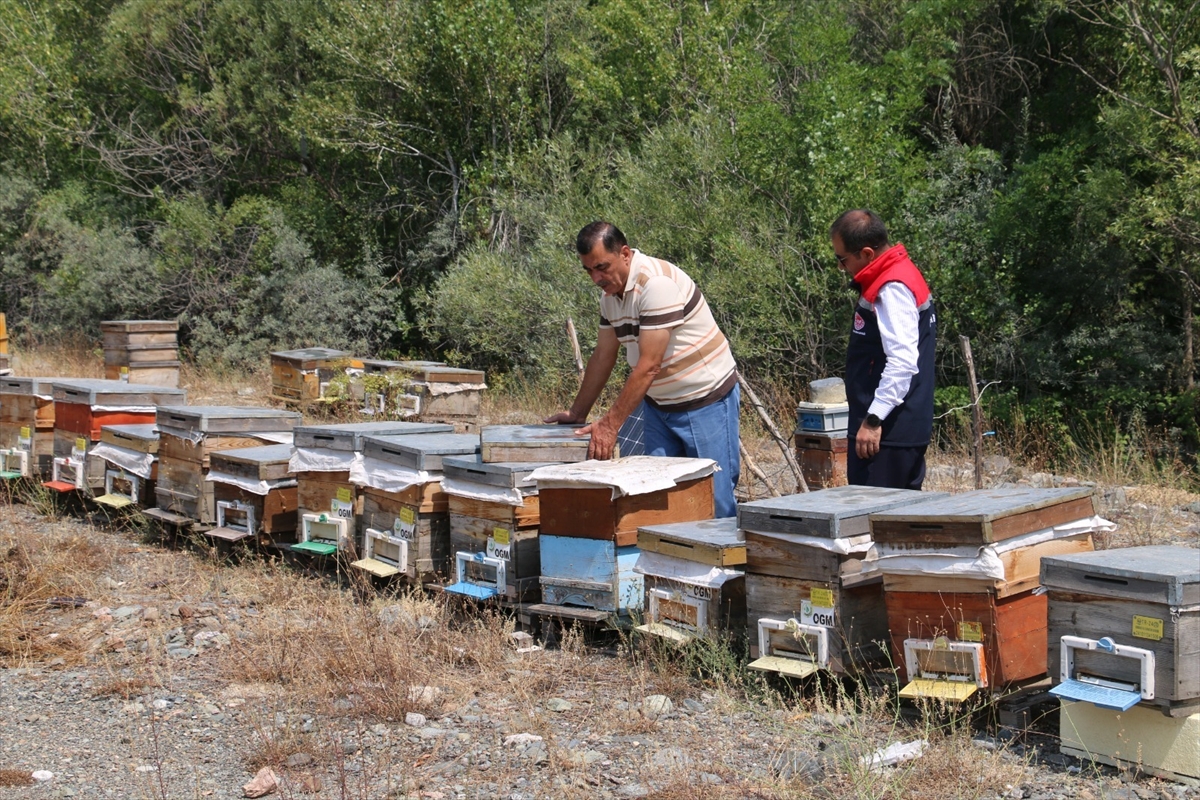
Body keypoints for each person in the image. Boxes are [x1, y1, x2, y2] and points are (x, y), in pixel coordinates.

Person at [545, 221, 742, 517]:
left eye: (601, 267)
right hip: (660, 406)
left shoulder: (656, 285)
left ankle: (727, 565)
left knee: (714, 498)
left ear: (625, 253)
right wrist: (577, 413)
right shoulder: (610, 297)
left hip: (705, 401)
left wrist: (610, 425)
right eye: (588, 270)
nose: (596, 278)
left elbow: (649, 366)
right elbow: (603, 355)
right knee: (659, 495)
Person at [830, 209, 936, 490]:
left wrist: (873, 419)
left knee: (873, 522)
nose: (841, 267)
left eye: (842, 259)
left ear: (866, 253)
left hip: (886, 433)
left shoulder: (891, 287)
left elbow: (902, 361)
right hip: (893, 430)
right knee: (897, 524)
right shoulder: (897, 273)